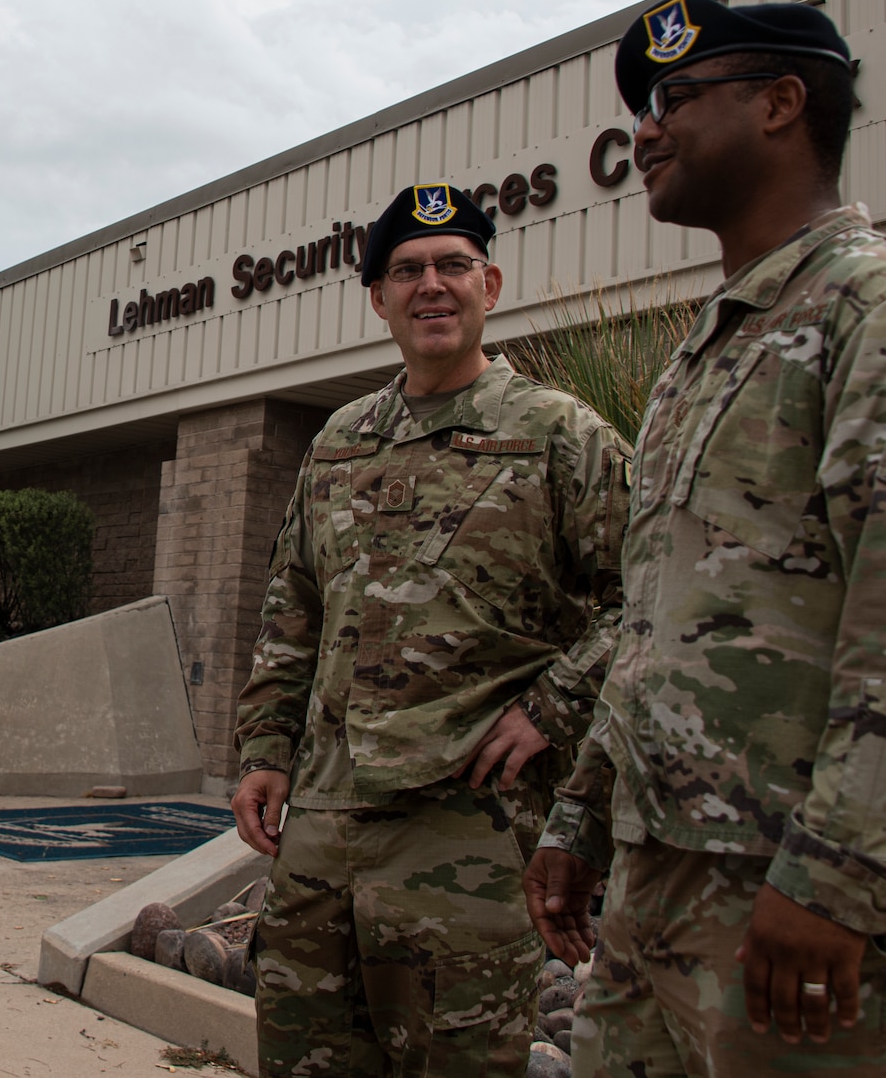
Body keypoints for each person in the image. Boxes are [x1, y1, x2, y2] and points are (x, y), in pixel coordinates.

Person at [524, 0, 886, 1077]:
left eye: (673, 99)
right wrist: (582, 815)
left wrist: (840, 880)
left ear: (778, 103)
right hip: (661, 878)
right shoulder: (703, 356)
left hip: (806, 902)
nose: (645, 132)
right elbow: (654, 621)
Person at [231, 182, 632, 1077]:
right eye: (407, 270)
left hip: (467, 835)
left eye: (454, 265)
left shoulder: (560, 436)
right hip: (324, 833)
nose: (432, 285)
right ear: (378, 298)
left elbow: (640, 602)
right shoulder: (339, 439)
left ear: (491, 283)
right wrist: (265, 746)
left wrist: (553, 708)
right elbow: (292, 605)